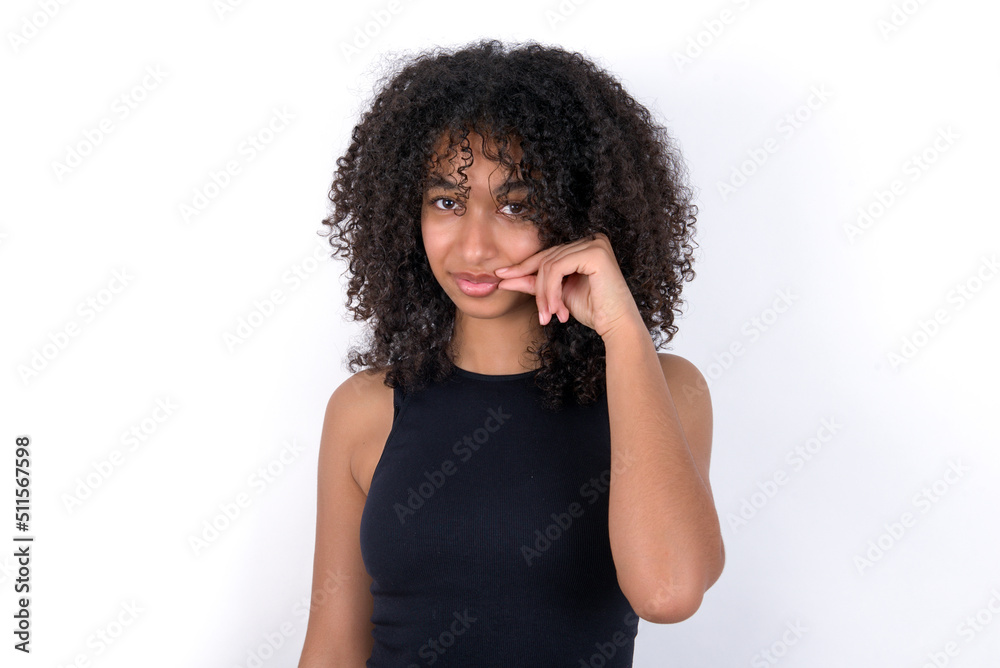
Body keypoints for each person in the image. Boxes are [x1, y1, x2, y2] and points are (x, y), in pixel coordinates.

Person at [297, 39, 724, 668]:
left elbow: (668, 591)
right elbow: (332, 650)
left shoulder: (664, 388)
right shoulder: (366, 409)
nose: (474, 247)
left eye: (516, 206)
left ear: (580, 213)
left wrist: (623, 332)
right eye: (446, 201)